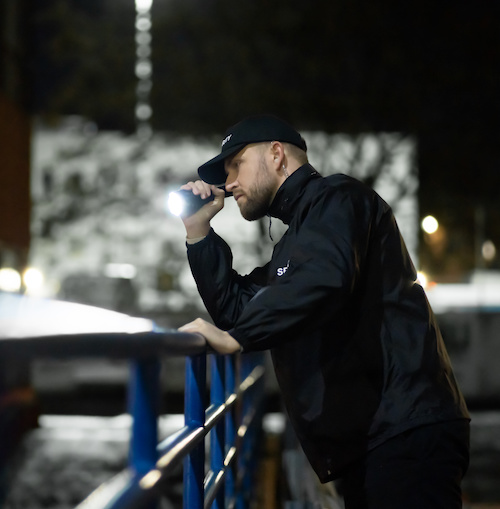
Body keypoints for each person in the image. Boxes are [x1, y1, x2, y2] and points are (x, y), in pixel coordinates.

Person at [176, 114, 470, 508]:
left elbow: (322, 280)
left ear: (277, 155)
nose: (228, 183)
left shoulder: (338, 199)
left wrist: (238, 340)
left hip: (404, 428)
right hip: (378, 435)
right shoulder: (300, 238)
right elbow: (238, 308)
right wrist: (198, 233)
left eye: (236, 164)